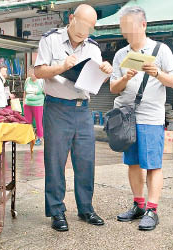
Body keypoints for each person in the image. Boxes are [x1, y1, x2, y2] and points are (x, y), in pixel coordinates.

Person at [34, 4, 113, 232]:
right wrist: (60, 67)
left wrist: (105, 72)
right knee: (55, 161)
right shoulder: (51, 39)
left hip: (83, 109)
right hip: (57, 108)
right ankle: (57, 211)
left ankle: (86, 208)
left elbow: (96, 79)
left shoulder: (93, 47)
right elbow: (38, 72)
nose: (84, 32)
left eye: (90, 28)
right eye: (81, 25)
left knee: (86, 160)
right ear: (71, 18)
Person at [110, 6, 173, 231]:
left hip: (150, 117)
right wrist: (125, 77)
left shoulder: (161, 50)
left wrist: (156, 73)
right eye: (123, 29)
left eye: (129, 27)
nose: (126, 33)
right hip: (126, 116)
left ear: (143, 25)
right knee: (133, 162)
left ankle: (152, 209)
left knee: (152, 165)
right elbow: (113, 88)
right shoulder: (121, 54)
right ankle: (138, 204)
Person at [23, 65, 45, 146]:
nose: (32, 74)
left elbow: (45, 93)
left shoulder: (41, 81)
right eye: (30, 73)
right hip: (28, 105)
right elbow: (25, 92)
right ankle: (29, 137)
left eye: (33, 73)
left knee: (38, 122)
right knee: (28, 122)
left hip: (38, 105)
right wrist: (24, 102)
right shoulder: (27, 80)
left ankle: (39, 138)